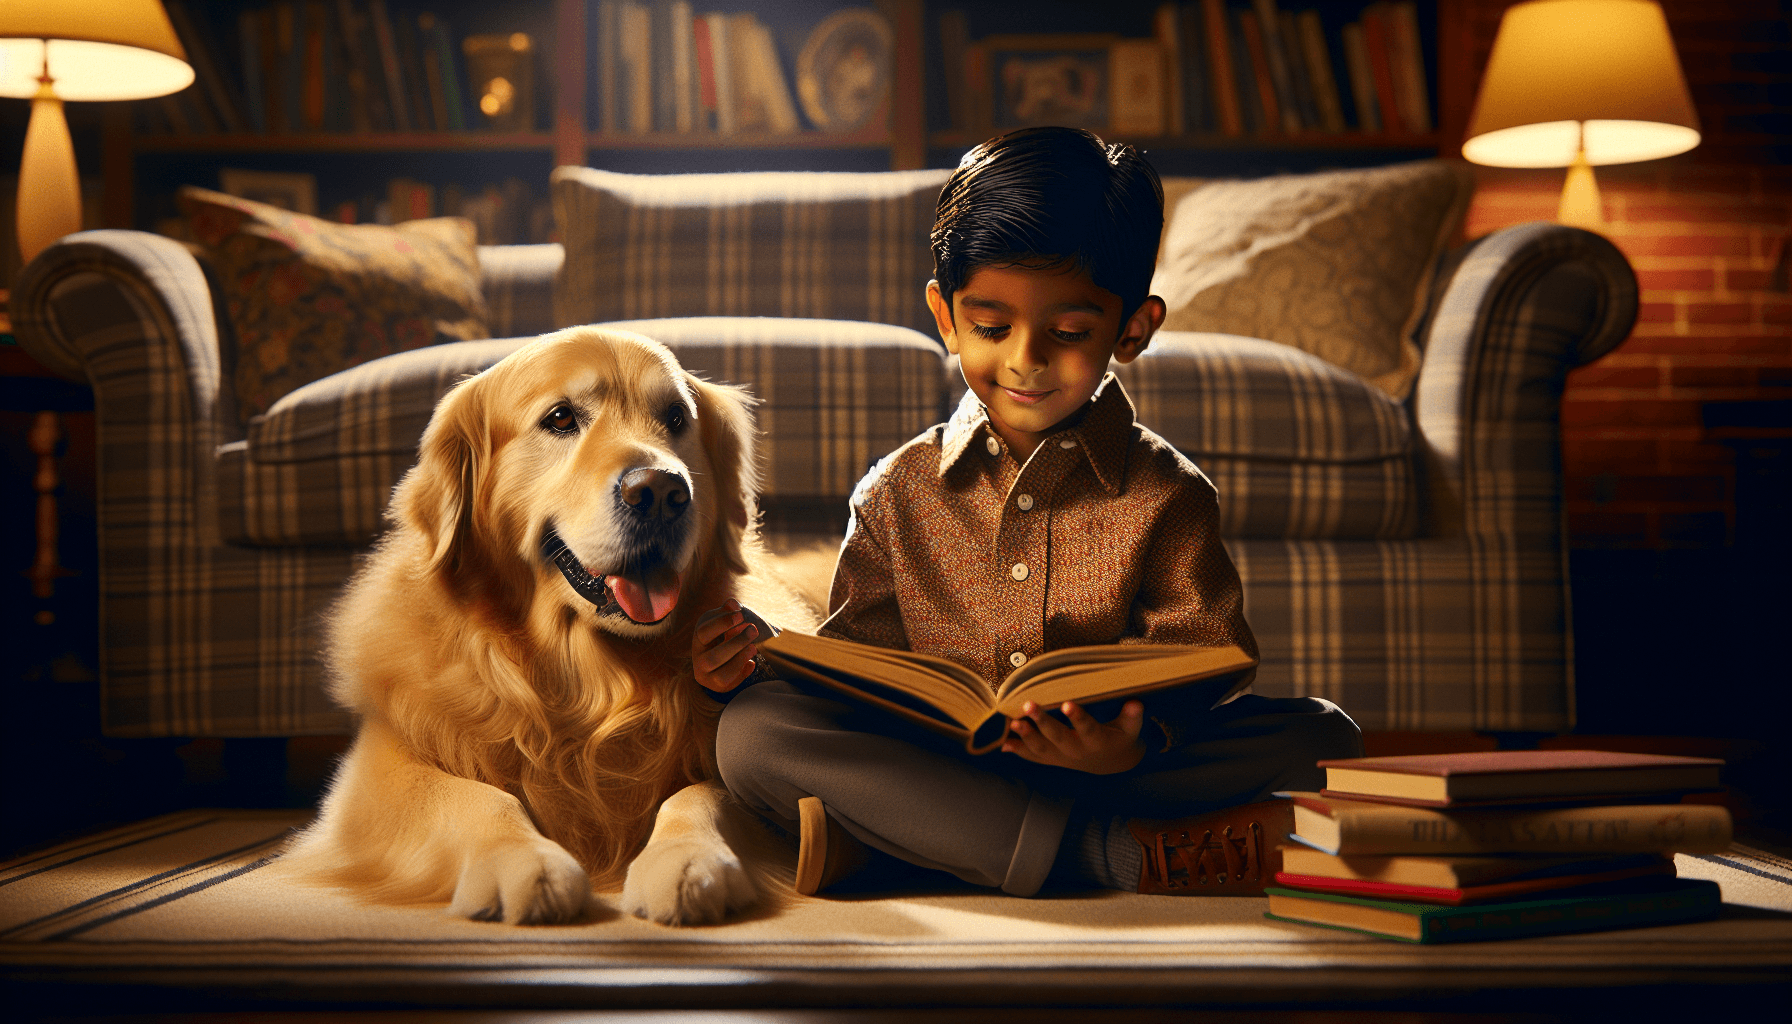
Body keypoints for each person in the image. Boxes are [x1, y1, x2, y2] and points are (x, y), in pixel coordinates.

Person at [689, 126, 1362, 898]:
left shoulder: (1168, 493)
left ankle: (906, 847)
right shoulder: (896, 492)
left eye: (1069, 333)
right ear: (946, 317)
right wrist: (750, 667)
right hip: (944, 766)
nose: (1025, 360)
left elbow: (1204, 653)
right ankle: (1114, 858)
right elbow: (858, 668)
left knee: (1324, 734)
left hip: (1113, 770)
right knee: (752, 735)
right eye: (991, 326)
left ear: (1133, 329)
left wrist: (1125, 747)